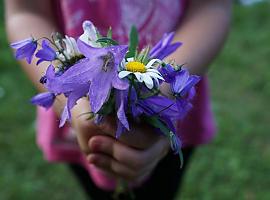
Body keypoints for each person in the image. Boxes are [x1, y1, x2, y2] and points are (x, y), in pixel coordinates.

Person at [5, 0, 232, 199]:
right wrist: (76, 108)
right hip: (79, 122)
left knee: (162, 188)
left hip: (170, 109)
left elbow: (213, 5)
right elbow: (24, 11)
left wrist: (158, 94)